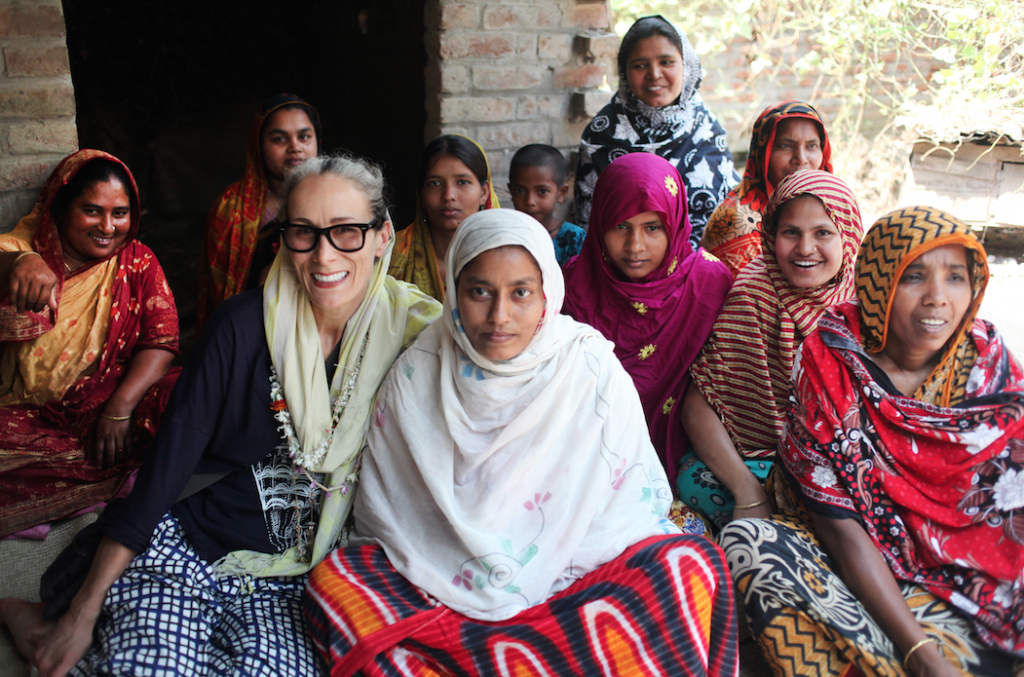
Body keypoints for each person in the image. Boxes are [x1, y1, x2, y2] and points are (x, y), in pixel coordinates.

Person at [0, 152, 441, 677]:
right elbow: (167, 467)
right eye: (303, 232)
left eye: (346, 231)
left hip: (299, 574)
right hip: (189, 548)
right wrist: (82, 608)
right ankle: (53, 621)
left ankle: (41, 627)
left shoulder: (416, 338)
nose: (323, 256)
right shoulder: (241, 326)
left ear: (383, 236)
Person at [304, 208, 738, 676]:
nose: (499, 316)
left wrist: (545, 564)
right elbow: (390, 514)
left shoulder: (587, 366)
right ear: (452, 291)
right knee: (336, 584)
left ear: (548, 294)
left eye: (521, 293)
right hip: (438, 577)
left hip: (574, 579)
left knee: (688, 567)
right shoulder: (418, 371)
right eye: (479, 292)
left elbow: (624, 508)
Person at [720, 207, 1023, 676]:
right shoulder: (830, 362)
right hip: (858, 566)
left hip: (974, 586)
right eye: (914, 276)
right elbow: (841, 530)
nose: (937, 299)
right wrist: (919, 654)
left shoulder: (990, 366)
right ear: (879, 282)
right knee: (751, 543)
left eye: (956, 278)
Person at [0, 149, 179, 539]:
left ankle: (108, 475)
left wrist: (119, 409)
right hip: (34, 416)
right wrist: (20, 264)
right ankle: (102, 481)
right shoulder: (24, 249)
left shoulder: (137, 261)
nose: (108, 226)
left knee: (180, 398)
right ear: (61, 208)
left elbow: (161, 340)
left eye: (120, 213)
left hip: (108, 405)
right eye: (92, 211)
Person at [677, 169, 862, 530]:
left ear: (850, 236)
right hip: (754, 459)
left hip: (838, 458)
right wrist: (749, 493)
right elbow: (698, 407)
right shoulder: (754, 292)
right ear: (771, 234)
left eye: (823, 232)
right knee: (699, 484)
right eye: (790, 232)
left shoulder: (864, 298)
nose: (805, 248)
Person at [563, 152, 732, 492]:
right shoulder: (569, 286)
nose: (635, 245)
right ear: (598, 223)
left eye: (653, 227)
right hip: (586, 463)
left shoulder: (710, 284)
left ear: (675, 221)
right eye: (620, 226)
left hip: (692, 457)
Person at [574, 15, 738, 248]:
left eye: (666, 62)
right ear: (623, 71)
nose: (654, 73)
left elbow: (730, 221)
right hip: (620, 275)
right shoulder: (601, 135)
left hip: (701, 275)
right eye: (640, 65)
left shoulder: (706, 130)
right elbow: (588, 227)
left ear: (687, 66)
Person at [196, 93, 322, 332]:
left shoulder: (335, 198)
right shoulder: (232, 207)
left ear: (318, 141)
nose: (295, 147)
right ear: (258, 146)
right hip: (250, 324)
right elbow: (221, 287)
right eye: (279, 139)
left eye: (304, 136)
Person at [702, 101, 833, 278]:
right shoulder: (738, 223)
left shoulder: (828, 206)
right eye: (786, 145)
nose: (801, 159)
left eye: (811, 146)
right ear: (763, 153)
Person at [388, 134, 499, 300]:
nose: (448, 195)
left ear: (484, 193)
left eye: (462, 182)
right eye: (435, 183)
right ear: (422, 196)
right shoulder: (389, 256)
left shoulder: (509, 255)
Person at [508, 143, 585, 265]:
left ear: (561, 193)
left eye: (542, 191)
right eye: (520, 191)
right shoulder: (505, 236)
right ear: (511, 191)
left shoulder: (575, 238)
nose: (530, 201)